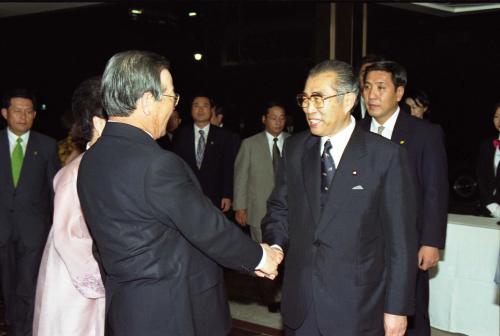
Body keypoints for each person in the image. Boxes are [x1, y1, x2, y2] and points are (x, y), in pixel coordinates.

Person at [76, 50, 282, 336]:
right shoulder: (156, 163)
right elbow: (205, 226)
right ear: (148, 101)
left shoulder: (91, 159)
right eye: (172, 97)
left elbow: (103, 245)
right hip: (170, 310)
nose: (174, 108)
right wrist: (260, 257)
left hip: (126, 308)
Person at [262, 59, 417, 336]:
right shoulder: (296, 148)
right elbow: (280, 208)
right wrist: (275, 245)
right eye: (305, 99)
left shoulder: (386, 157)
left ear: (348, 101)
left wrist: (396, 308)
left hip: (358, 306)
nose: (310, 108)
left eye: (319, 99)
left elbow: (401, 242)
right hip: (302, 302)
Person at [360, 61, 448, 336]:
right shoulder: (354, 131)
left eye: (381, 87)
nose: (372, 94)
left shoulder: (424, 133)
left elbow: (435, 190)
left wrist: (431, 241)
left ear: (399, 93)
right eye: (367, 87)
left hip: (407, 244)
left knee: (411, 311)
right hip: (363, 245)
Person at [33, 77, 106, 336]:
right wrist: (101, 277)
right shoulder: (76, 171)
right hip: (73, 274)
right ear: (99, 123)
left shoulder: (100, 165)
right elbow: (67, 235)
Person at [0, 89, 60, 336]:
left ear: (35, 115)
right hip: (2, 228)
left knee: (27, 285)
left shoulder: (46, 146)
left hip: (33, 232)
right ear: (5, 113)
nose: (23, 117)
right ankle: (14, 324)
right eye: (17, 111)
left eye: (28, 112)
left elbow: (53, 190)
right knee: (7, 286)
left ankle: (23, 330)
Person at [233, 101, 290, 312]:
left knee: (288, 256)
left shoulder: (294, 142)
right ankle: (269, 298)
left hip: (290, 212)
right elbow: (241, 176)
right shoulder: (250, 144)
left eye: (282, 117)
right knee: (264, 257)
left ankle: (287, 292)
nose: (278, 121)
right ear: (264, 119)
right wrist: (240, 206)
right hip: (259, 210)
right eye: (273, 117)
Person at [173, 94, 236, 212]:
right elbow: (175, 165)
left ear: (212, 110)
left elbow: (228, 167)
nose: (200, 110)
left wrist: (227, 195)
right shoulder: (181, 134)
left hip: (215, 197)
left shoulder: (224, 136)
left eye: (205, 106)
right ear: (191, 110)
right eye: (196, 106)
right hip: (187, 195)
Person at [477, 102, 500, 217]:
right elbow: (481, 176)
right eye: (496, 116)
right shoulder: (486, 145)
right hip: (488, 209)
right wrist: (491, 205)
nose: (499, 121)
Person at [352, 54, 385, 120]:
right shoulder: (348, 105)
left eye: (375, 74)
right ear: (358, 77)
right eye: (365, 73)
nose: (368, 78)